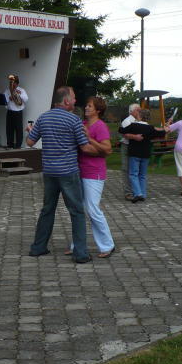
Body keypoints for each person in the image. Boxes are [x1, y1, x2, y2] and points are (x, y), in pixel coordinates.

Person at [26, 86, 101, 264]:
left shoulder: (43, 117)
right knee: (76, 212)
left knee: (47, 209)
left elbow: (29, 142)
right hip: (68, 172)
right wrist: (102, 151)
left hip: (49, 172)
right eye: (73, 98)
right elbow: (84, 148)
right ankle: (80, 254)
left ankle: (38, 247)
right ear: (66, 101)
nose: (75, 101)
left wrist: (30, 130)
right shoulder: (74, 120)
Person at [65, 96, 115, 258]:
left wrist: (90, 139)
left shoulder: (100, 126)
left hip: (94, 172)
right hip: (78, 170)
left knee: (92, 209)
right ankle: (77, 245)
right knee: (78, 209)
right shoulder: (83, 124)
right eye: (86, 105)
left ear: (98, 110)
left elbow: (107, 150)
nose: (86, 108)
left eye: (90, 106)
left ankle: (107, 245)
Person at [119, 109, 167, 203]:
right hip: (145, 153)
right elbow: (161, 133)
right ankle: (143, 194)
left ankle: (138, 193)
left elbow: (121, 130)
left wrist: (132, 134)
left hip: (134, 153)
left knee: (133, 174)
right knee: (142, 175)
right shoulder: (150, 128)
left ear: (139, 116)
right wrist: (165, 128)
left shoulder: (133, 125)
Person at [119, 104, 142, 200]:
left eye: (140, 110)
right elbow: (125, 134)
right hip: (127, 146)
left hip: (136, 147)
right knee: (126, 169)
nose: (140, 112)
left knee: (135, 169)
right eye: (138, 110)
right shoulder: (127, 121)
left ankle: (136, 190)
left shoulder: (139, 121)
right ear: (132, 111)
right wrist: (135, 137)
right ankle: (128, 192)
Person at [4, 75, 28, 149]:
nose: (13, 85)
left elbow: (26, 99)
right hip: (10, 112)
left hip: (18, 112)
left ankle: (18, 146)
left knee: (19, 129)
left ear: (17, 84)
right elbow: (4, 101)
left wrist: (19, 94)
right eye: (12, 83)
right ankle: (10, 145)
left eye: (14, 83)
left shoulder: (21, 90)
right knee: (9, 129)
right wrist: (9, 98)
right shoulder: (7, 91)